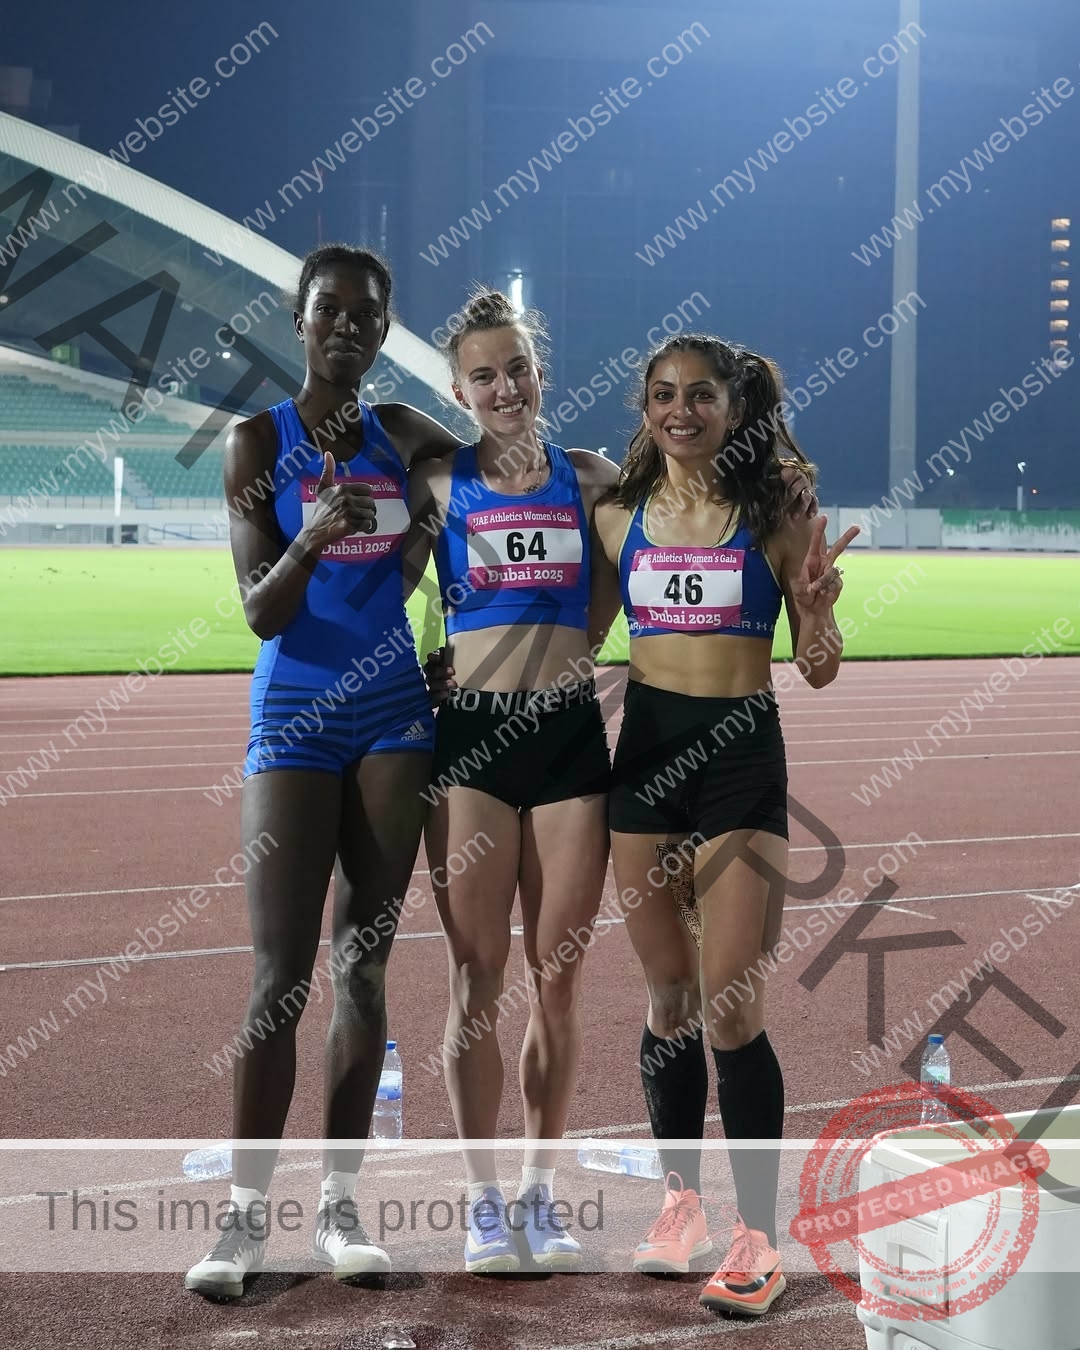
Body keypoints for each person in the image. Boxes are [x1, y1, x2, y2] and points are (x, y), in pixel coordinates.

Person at [185, 243, 462, 1300]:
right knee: (279, 976)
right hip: (296, 717)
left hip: (396, 719)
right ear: (299, 321)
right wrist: (316, 539)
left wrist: (451, 614)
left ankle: (341, 1205)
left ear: (387, 331)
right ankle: (243, 1222)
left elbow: (489, 472)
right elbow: (261, 609)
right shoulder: (261, 440)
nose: (349, 326)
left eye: (369, 314)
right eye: (330, 310)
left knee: (364, 966)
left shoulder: (399, 434)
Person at [590, 333, 857, 1316]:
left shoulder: (776, 513)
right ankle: (681, 1209)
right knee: (668, 997)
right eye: (662, 394)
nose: (680, 410)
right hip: (647, 765)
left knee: (732, 1003)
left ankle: (757, 1239)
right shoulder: (620, 516)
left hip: (741, 760)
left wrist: (820, 617)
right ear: (646, 406)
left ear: (732, 409)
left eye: (700, 395)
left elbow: (818, 665)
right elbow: (577, 634)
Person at [403, 289, 618, 1272]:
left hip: (569, 739)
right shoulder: (439, 481)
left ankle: (540, 1191)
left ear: (543, 375)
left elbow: (639, 566)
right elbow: (380, 578)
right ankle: (483, 1202)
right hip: (474, 748)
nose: (504, 387)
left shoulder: (588, 475)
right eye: (483, 375)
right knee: (476, 975)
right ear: (458, 389)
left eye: (518, 369)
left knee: (559, 977)